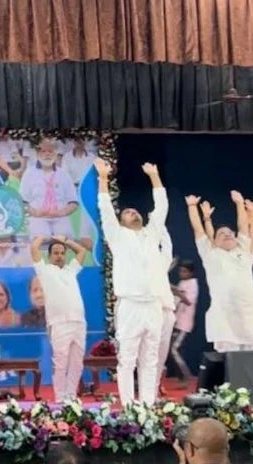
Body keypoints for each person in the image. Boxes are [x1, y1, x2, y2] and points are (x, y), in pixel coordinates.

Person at [95, 158, 167, 406]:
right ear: (121, 220)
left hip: (154, 305)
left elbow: (162, 206)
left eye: (134, 210)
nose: (133, 212)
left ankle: (147, 404)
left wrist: (154, 177)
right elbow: (105, 209)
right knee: (127, 358)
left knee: (151, 359)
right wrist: (103, 179)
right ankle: (128, 406)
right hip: (130, 305)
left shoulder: (152, 233)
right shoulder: (117, 236)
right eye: (127, 212)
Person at [185, 192, 253, 352]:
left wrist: (240, 204)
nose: (227, 235)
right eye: (222, 234)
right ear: (214, 240)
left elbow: (243, 226)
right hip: (224, 317)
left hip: (250, 316)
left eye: (230, 233)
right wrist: (192, 206)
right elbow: (198, 229)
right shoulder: (211, 255)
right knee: (229, 361)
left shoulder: (244, 252)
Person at [30, 235, 87, 402]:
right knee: (60, 363)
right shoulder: (44, 270)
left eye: (62, 253)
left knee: (77, 364)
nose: (59, 255)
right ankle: (60, 398)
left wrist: (66, 241)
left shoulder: (71, 270)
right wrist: (47, 238)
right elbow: (34, 248)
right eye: (55, 252)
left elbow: (82, 251)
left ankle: (71, 395)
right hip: (59, 323)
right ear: (49, 256)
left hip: (79, 322)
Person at [19, 138, 78, 240]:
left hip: (60, 216)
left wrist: (61, 212)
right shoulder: (29, 173)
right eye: (44, 151)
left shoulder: (63, 174)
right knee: (41, 238)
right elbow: (22, 202)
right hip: (38, 217)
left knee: (64, 238)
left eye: (50, 151)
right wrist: (35, 212)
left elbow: (73, 202)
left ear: (56, 154)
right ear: (37, 154)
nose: (47, 154)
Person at [155, 230, 177, 396]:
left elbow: (167, 246)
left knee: (162, 353)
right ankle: (144, 389)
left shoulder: (161, 262)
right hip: (148, 309)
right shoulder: (136, 261)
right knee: (147, 354)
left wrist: (161, 226)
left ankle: (154, 387)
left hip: (166, 311)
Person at [171, 261, 198, 387]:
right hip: (177, 321)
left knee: (174, 349)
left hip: (184, 323)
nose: (181, 273)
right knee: (176, 350)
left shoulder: (193, 283)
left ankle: (186, 377)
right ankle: (182, 378)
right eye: (180, 271)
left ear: (191, 272)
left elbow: (188, 301)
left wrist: (177, 292)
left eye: (184, 271)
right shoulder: (182, 283)